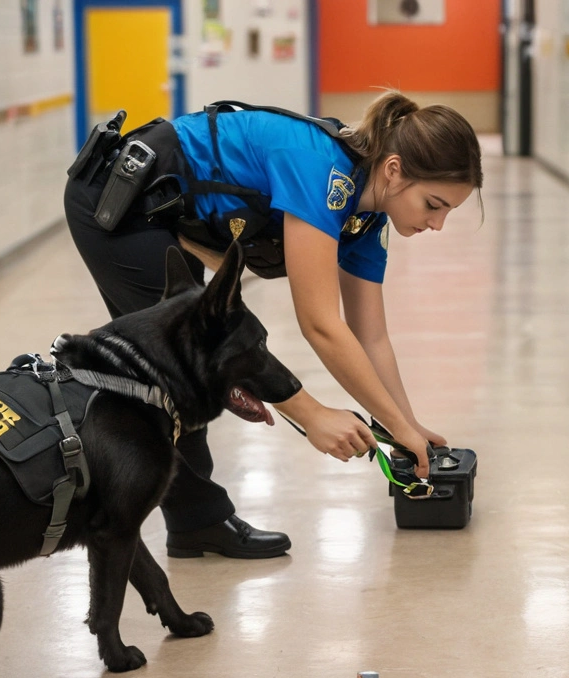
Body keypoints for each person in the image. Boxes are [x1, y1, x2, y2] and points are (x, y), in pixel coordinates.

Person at [63, 91, 483, 559]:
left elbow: (371, 336)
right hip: (121, 202)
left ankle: (194, 523)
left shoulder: (366, 217)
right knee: (187, 361)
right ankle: (175, 515)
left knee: (185, 369)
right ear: (394, 170)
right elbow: (320, 324)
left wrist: (405, 426)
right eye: (433, 204)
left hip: (169, 213)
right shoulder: (322, 171)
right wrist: (312, 414)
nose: (438, 224)